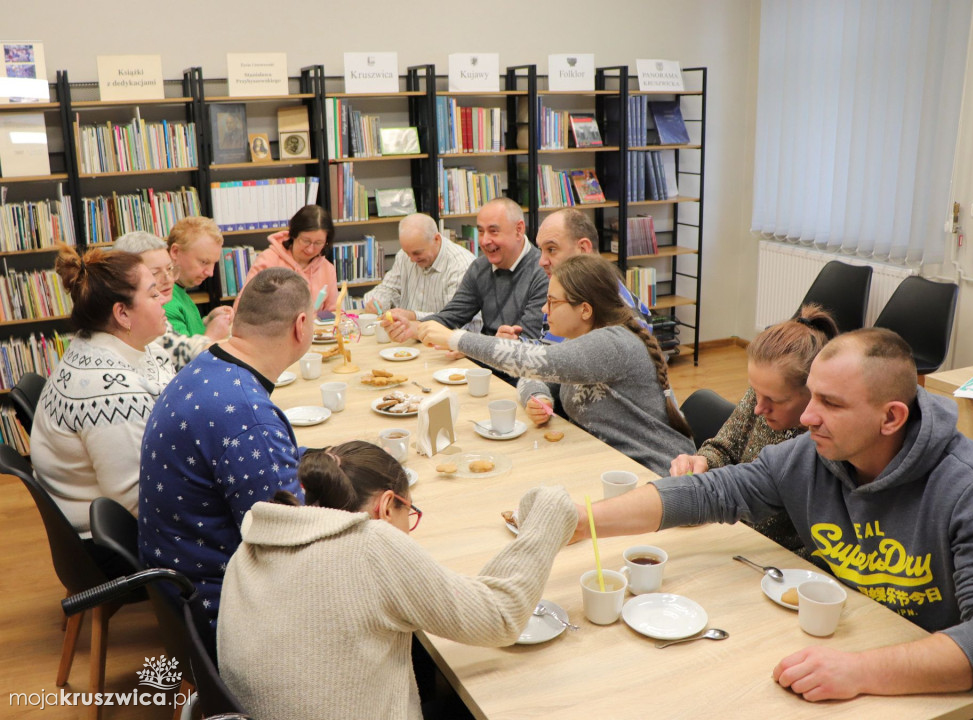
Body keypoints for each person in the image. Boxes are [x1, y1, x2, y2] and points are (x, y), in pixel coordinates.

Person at [575, 328, 973, 707]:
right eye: (811, 396)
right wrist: (581, 521)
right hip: (845, 648)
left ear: (891, 417)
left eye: (830, 403)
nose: (807, 416)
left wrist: (860, 670)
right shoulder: (811, 456)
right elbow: (708, 491)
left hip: (923, 693)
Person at [218, 441, 576, 720]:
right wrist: (550, 511)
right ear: (387, 507)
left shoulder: (255, 541)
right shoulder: (370, 545)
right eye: (410, 512)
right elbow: (501, 616)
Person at [137, 268, 312, 624]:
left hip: (178, 591)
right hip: (222, 611)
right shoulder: (251, 420)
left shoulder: (208, 365)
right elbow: (294, 546)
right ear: (302, 325)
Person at [419, 254, 695, 475]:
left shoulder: (612, 343)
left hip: (655, 472)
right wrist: (538, 396)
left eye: (552, 302)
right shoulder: (581, 340)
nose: (544, 310)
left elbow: (532, 361)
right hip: (611, 465)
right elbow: (534, 374)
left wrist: (455, 338)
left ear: (585, 309)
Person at [668, 304, 838, 554]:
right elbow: (724, 449)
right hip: (736, 540)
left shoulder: (831, 446)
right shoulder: (763, 393)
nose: (759, 408)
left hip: (779, 561)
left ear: (814, 391)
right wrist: (702, 461)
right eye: (755, 392)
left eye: (775, 400)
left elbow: (826, 549)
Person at [30, 246, 173, 538]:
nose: (163, 299)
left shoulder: (98, 345)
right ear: (122, 313)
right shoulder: (112, 393)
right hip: (111, 540)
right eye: (153, 294)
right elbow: (136, 501)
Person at [383, 197, 548, 343]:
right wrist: (413, 327)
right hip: (485, 358)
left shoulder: (542, 272)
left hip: (515, 365)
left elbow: (528, 341)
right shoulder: (480, 267)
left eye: (493, 231)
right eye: (481, 231)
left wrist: (467, 346)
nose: (484, 240)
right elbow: (452, 316)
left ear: (519, 230)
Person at [497, 208, 652, 342]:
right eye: (541, 250)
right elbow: (549, 349)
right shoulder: (564, 294)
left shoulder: (623, 312)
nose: (542, 261)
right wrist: (516, 344)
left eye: (551, 249)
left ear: (583, 249)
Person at [112, 230, 213, 370]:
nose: (168, 279)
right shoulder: (140, 316)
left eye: (170, 268)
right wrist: (214, 334)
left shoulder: (160, 306)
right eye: (155, 273)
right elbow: (184, 355)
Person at [362, 213, 475, 321]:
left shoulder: (461, 266)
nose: (412, 259)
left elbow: (454, 318)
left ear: (436, 239)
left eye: (417, 253)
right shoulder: (404, 256)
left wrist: (413, 316)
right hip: (407, 331)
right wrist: (378, 302)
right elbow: (388, 288)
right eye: (407, 253)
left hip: (443, 334)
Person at [236, 204, 339, 313]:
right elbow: (242, 306)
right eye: (306, 241)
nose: (310, 249)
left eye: (318, 243)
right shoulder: (269, 259)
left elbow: (334, 312)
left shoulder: (327, 269)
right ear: (294, 234)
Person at [164, 216, 233, 341]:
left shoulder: (179, 290)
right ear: (175, 252)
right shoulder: (165, 300)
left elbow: (190, 334)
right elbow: (183, 352)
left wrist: (207, 322)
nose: (210, 273)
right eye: (204, 262)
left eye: (214, 263)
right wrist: (212, 336)